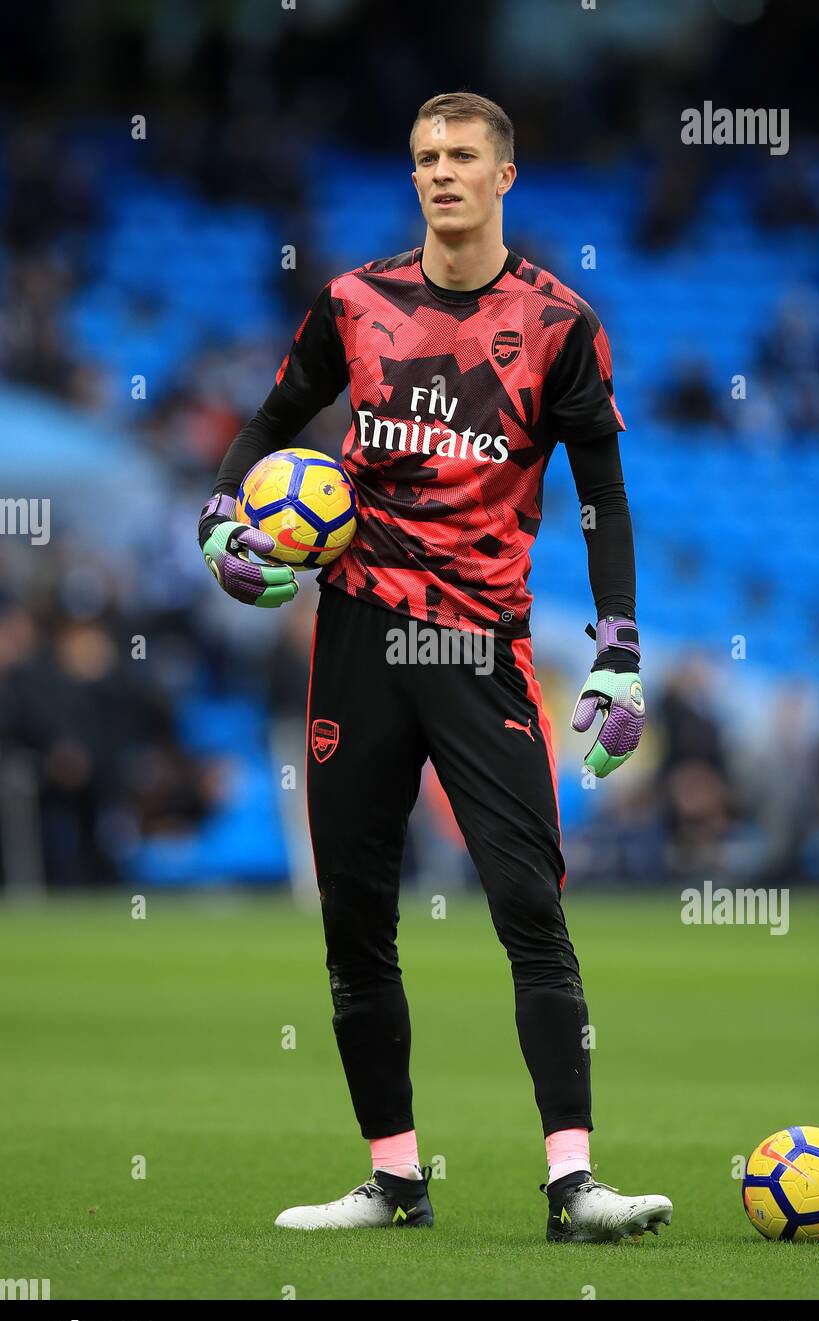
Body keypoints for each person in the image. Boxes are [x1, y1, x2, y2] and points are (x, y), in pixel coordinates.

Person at [198, 91, 671, 1243]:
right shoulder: (354, 302)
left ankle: (575, 1185)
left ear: (505, 175)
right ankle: (394, 1179)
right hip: (356, 637)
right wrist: (221, 524)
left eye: (463, 155)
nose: (441, 172)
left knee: (525, 901)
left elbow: (602, 497)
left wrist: (618, 651)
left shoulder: (561, 324)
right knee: (355, 919)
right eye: (423, 157)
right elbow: (268, 425)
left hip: (482, 645)